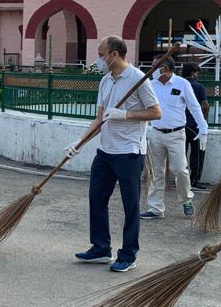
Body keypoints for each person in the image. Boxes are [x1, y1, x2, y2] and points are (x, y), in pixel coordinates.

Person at [64, 36, 161, 272]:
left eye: (100, 54)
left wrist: (125, 115)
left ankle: (128, 254)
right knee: (96, 199)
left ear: (114, 54)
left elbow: (156, 112)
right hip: (105, 151)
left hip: (129, 153)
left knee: (130, 206)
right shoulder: (105, 80)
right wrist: (80, 141)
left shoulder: (138, 79)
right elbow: (100, 118)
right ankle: (100, 248)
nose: (98, 59)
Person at [140, 56, 208, 219]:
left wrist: (203, 127)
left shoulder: (182, 84)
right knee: (156, 172)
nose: (152, 69)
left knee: (179, 169)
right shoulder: (150, 84)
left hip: (176, 134)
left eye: (155, 66)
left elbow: (194, 107)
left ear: (165, 68)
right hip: (156, 133)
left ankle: (186, 200)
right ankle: (156, 208)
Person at [181, 62, 211, 189]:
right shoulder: (198, 87)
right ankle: (194, 181)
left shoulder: (178, 84)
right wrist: (204, 121)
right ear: (193, 73)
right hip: (195, 126)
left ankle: (182, 180)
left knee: (181, 155)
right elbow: (205, 106)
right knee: (197, 154)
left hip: (180, 125)